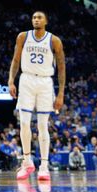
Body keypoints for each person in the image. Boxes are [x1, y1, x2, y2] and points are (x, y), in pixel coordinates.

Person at [8, 11, 66, 182]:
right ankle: (27, 161)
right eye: (34, 17)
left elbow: (62, 67)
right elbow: (15, 60)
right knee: (24, 122)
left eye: (39, 17)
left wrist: (61, 92)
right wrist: (11, 80)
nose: (36, 20)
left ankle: (44, 166)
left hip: (45, 83)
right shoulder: (23, 37)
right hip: (26, 79)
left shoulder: (54, 40)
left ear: (46, 21)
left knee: (42, 125)